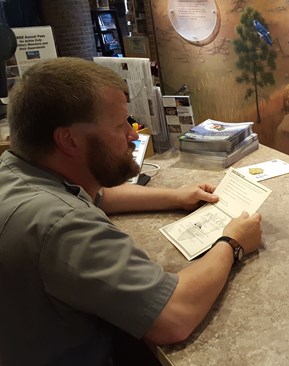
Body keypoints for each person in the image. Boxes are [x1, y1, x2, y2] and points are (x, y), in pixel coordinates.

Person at [0, 57, 263, 366]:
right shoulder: (64, 225)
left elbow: (100, 196)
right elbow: (174, 315)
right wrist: (231, 242)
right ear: (68, 139)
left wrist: (177, 196)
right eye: (119, 125)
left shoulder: (18, 173)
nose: (133, 135)